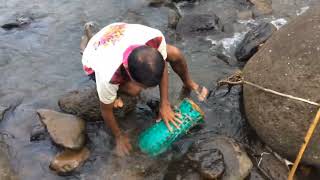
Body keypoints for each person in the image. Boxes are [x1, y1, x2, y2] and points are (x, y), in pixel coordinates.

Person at [80, 22, 208, 156]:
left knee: (174, 53)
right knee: (133, 91)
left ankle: (188, 82)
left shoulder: (155, 38)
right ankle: (117, 93)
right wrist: (119, 136)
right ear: (130, 75)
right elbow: (105, 111)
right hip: (94, 55)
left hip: (114, 32)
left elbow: (161, 65)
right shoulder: (108, 75)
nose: (147, 89)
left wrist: (164, 104)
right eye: (146, 86)